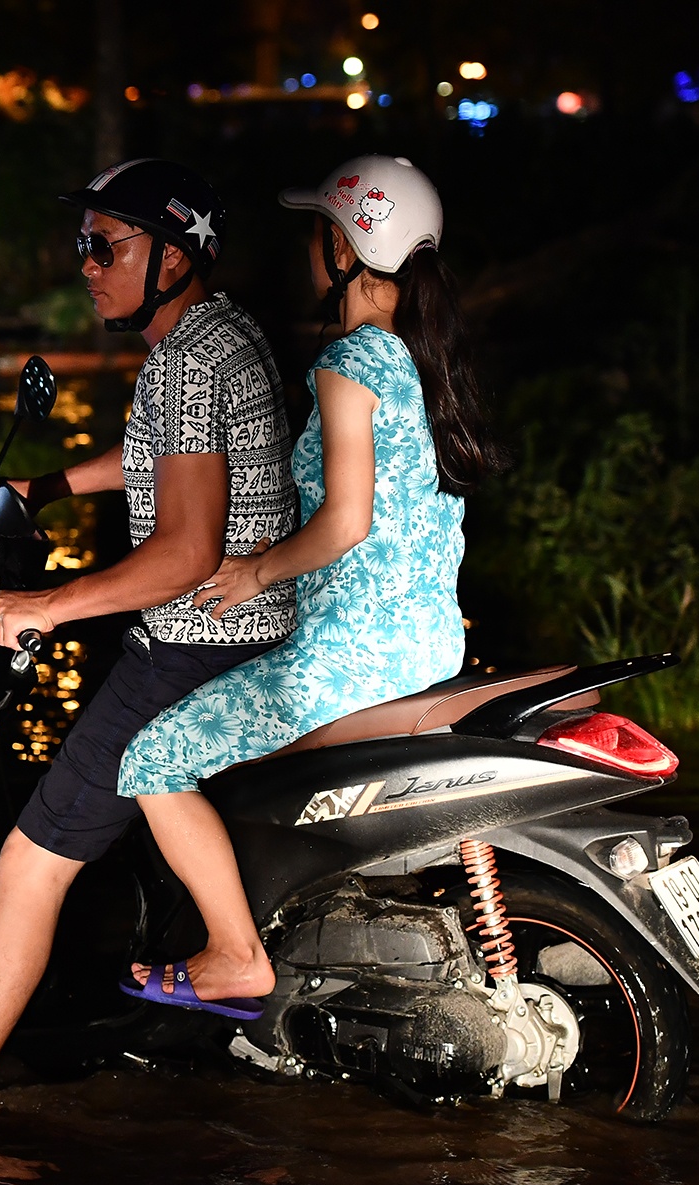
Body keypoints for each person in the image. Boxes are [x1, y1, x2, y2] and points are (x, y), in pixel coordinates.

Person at [0, 158, 297, 1104]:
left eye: (104, 245)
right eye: (80, 246)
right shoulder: (221, 334)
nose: (85, 265)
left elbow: (180, 551)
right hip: (247, 630)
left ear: (172, 254)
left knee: (29, 861)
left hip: (193, 640)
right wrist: (44, 486)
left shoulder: (185, 358)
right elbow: (164, 459)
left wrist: (47, 604)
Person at [115, 155, 508, 1013]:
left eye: (314, 233)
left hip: (346, 656)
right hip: (430, 643)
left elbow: (347, 523)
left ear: (341, 246)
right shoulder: (423, 357)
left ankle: (233, 954)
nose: (309, 250)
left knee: (152, 760)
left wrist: (251, 571)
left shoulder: (351, 364)